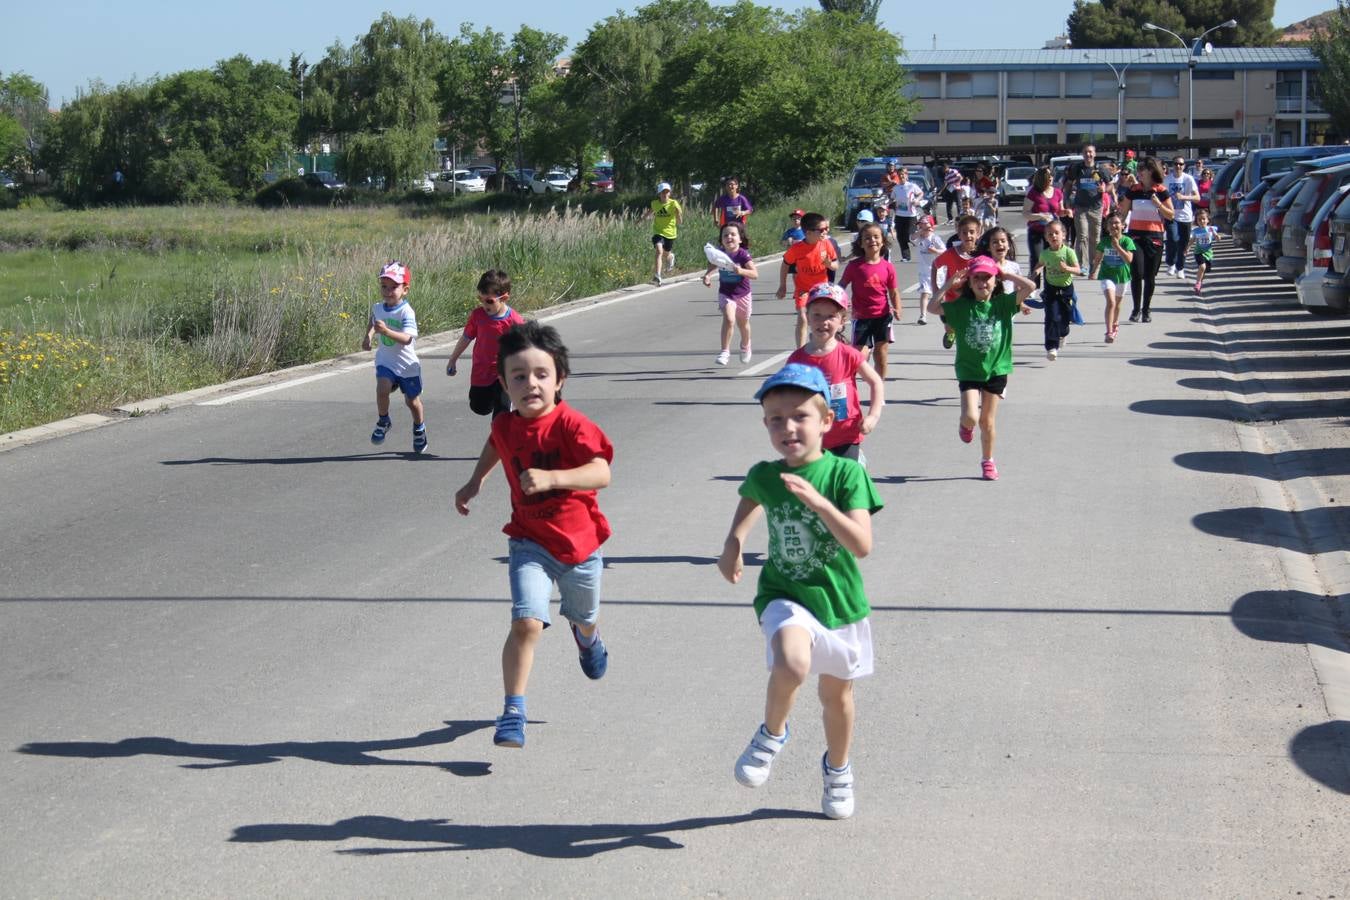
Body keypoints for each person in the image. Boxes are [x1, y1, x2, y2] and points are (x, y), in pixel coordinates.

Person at [718, 362, 883, 820]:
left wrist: (818, 501)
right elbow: (752, 496)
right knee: (792, 661)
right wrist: (734, 542)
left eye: (799, 417)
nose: (787, 427)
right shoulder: (766, 474)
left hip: (840, 603)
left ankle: (838, 770)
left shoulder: (846, 475)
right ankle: (772, 734)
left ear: (827, 421)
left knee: (837, 698)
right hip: (784, 593)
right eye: (775, 419)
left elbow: (861, 544)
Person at [453, 321, 614, 749]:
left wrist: (552, 478)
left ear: (559, 378)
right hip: (529, 543)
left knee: (583, 615)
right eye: (519, 376)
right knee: (527, 622)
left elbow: (601, 472)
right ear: (503, 383)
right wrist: (475, 482)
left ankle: (587, 638)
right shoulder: (506, 425)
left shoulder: (572, 425)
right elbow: (496, 443)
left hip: (579, 548)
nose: (531, 384)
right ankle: (513, 710)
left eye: (542, 374)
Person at [925, 255, 1035, 481]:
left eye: (987, 278)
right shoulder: (961, 307)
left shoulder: (1003, 304)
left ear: (995, 281)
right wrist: (948, 285)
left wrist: (1005, 274)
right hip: (969, 370)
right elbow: (932, 307)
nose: (982, 282)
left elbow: (1030, 286)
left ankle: (988, 461)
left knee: (987, 421)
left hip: (997, 370)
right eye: (977, 278)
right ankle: (964, 425)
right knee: (971, 417)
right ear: (969, 281)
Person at [787, 283, 885, 463]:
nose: (823, 321)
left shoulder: (848, 354)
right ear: (807, 316)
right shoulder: (797, 359)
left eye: (831, 316)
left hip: (845, 435)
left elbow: (875, 382)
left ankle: (857, 463)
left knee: (843, 488)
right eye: (817, 315)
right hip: (811, 438)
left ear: (842, 321)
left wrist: (873, 416)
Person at [362, 260, 428, 454]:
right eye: (384, 286)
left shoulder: (406, 311)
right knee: (382, 388)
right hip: (386, 361)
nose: (388, 291)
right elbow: (374, 321)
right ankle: (384, 420)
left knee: (412, 401)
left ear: (405, 289)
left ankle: (419, 427)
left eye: (394, 287)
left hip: (407, 365)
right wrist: (368, 336)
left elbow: (407, 339)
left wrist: (386, 332)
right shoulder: (378, 307)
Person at [445, 269, 526, 418]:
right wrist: (453, 359)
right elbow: (466, 338)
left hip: (504, 372)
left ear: (504, 298)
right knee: (479, 407)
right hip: (481, 371)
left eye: (489, 301)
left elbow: (526, 345)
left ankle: (503, 415)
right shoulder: (478, 316)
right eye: (480, 298)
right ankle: (496, 402)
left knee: (501, 412)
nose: (484, 304)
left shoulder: (514, 320)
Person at [839, 224, 901, 380]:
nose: (872, 240)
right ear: (860, 243)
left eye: (876, 237)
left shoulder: (888, 267)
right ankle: (850, 386)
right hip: (861, 318)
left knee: (881, 355)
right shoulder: (854, 266)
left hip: (883, 316)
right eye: (867, 238)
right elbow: (841, 286)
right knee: (860, 357)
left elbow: (893, 292)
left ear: (883, 242)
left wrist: (898, 308)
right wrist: (837, 305)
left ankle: (878, 390)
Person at [1118, 157, 1174, 324]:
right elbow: (1123, 212)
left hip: (1155, 237)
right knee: (1137, 273)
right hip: (1135, 236)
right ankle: (1135, 309)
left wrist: (1158, 204)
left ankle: (1146, 309)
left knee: (1150, 276)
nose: (1139, 173)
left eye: (1142, 170)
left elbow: (1171, 214)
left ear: (1151, 171)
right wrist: (1117, 226)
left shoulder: (1161, 190)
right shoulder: (1133, 190)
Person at [778, 212, 839, 348]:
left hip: (822, 290)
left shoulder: (826, 244)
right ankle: (800, 350)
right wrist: (783, 285)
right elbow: (785, 264)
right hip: (803, 290)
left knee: (825, 319)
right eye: (821, 230)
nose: (825, 232)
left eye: (826, 229)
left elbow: (835, 265)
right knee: (803, 316)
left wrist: (829, 264)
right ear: (808, 233)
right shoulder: (797, 249)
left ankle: (826, 344)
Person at [702, 221, 759, 365]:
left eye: (733, 234)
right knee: (729, 319)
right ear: (721, 240)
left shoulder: (743, 255)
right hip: (726, 293)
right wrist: (707, 276)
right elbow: (713, 266)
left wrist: (741, 271)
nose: (729, 237)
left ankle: (746, 345)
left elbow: (754, 274)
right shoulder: (719, 254)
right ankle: (725, 351)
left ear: (740, 238)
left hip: (743, 294)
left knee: (743, 324)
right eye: (725, 235)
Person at [1031, 220, 1081, 361]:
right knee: (1051, 317)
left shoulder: (1069, 252)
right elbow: (1040, 264)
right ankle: (1052, 347)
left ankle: (1063, 334)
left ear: (1063, 235)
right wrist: (1034, 273)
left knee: (1065, 319)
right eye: (1050, 234)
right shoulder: (1045, 253)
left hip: (1066, 290)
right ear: (1046, 237)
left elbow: (1078, 270)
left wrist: (1067, 269)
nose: (1053, 236)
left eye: (1056, 233)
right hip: (1051, 290)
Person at [931, 215, 982, 350]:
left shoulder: (981, 255)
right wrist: (935, 288)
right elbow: (935, 265)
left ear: (978, 233)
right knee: (950, 325)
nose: (968, 235)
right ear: (959, 235)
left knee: (968, 331)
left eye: (972, 232)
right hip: (953, 298)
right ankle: (950, 331)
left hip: (973, 298)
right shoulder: (951, 253)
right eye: (964, 232)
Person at [1089, 213, 1135, 343]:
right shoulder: (1104, 242)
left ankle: (1115, 323)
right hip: (1106, 275)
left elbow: (1128, 260)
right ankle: (1109, 331)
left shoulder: (1127, 241)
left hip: (1122, 276)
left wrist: (1117, 246)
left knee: (1118, 304)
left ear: (1123, 225)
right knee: (1111, 302)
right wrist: (1093, 271)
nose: (1113, 225)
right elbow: (1097, 258)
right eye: (1110, 223)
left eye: (1116, 223)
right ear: (1106, 227)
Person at [1060, 144, 1104, 270]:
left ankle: (1093, 264)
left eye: (1090, 152)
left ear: (1094, 154)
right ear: (1082, 154)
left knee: (1095, 238)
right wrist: (1066, 200)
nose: (1088, 154)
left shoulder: (1099, 169)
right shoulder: (1077, 169)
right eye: (1086, 152)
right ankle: (1081, 264)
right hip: (1080, 207)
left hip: (1096, 207)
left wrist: (1104, 189)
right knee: (1082, 235)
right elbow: (1068, 185)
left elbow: (1110, 184)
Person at [1021, 166, 1060, 293]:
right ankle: (1034, 286)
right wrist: (1039, 216)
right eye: (1048, 177)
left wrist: (1066, 212)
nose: (1050, 179)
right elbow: (1026, 213)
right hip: (1036, 231)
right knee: (1037, 258)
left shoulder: (1058, 192)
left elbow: (1059, 210)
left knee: (1051, 259)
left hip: (1052, 232)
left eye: (1051, 176)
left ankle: (1050, 287)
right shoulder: (1033, 193)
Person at [1163, 156, 1201, 279]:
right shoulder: (1167, 180)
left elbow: (1197, 198)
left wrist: (1184, 197)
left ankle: (1180, 267)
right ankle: (1171, 263)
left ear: (1184, 166)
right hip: (1171, 214)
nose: (1178, 166)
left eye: (1180, 164)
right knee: (1173, 238)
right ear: (1172, 165)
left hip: (1186, 216)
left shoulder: (1188, 179)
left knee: (1183, 244)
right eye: (1176, 164)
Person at [912, 215, 945, 326]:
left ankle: (946, 313)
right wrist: (921, 231)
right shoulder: (919, 238)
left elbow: (944, 251)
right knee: (925, 293)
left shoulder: (935, 238)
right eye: (920, 224)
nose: (921, 226)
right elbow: (911, 238)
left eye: (924, 223)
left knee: (940, 294)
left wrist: (934, 250)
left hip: (937, 271)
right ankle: (923, 316)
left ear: (930, 225)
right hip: (924, 272)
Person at [649, 182, 683, 286]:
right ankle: (658, 275)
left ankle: (670, 257)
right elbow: (650, 211)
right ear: (659, 193)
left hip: (670, 233)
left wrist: (677, 214)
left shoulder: (674, 203)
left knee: (666, 253)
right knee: (659, 251)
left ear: (669, 193)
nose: (665, 194)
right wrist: (640, 220)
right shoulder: (655, 203)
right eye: (663, 192)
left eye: (667, 192)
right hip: (658, 231)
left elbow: (680, 221)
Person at [889, 167, 925, 262]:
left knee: (910, 236)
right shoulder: (896, 188)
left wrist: (917, 200)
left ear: (906, 175)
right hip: (899, 215)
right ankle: (906, 257)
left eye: (903, 174)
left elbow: (921, 193)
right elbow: (892, 198)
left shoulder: (912, 186)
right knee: (901, 237)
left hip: (910, 215)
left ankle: (924, 248)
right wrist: (890, 202)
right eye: (900, 174)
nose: (901, 176)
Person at [1188, 208, 1221, 296]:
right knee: (1202, 267)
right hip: (1198, 252)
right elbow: (1192, 240)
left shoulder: (1211, 229)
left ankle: (1199, 285)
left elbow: (1217, 237)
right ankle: (1198, 284)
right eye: (1199, 219)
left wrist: (1217, 237)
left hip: (1208, 253)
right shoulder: (1196, 231)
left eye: (1204, 219)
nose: (1202, 221)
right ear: (1196, 221)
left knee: (1205, 270)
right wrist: (1187, 248)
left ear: (1208, 220)